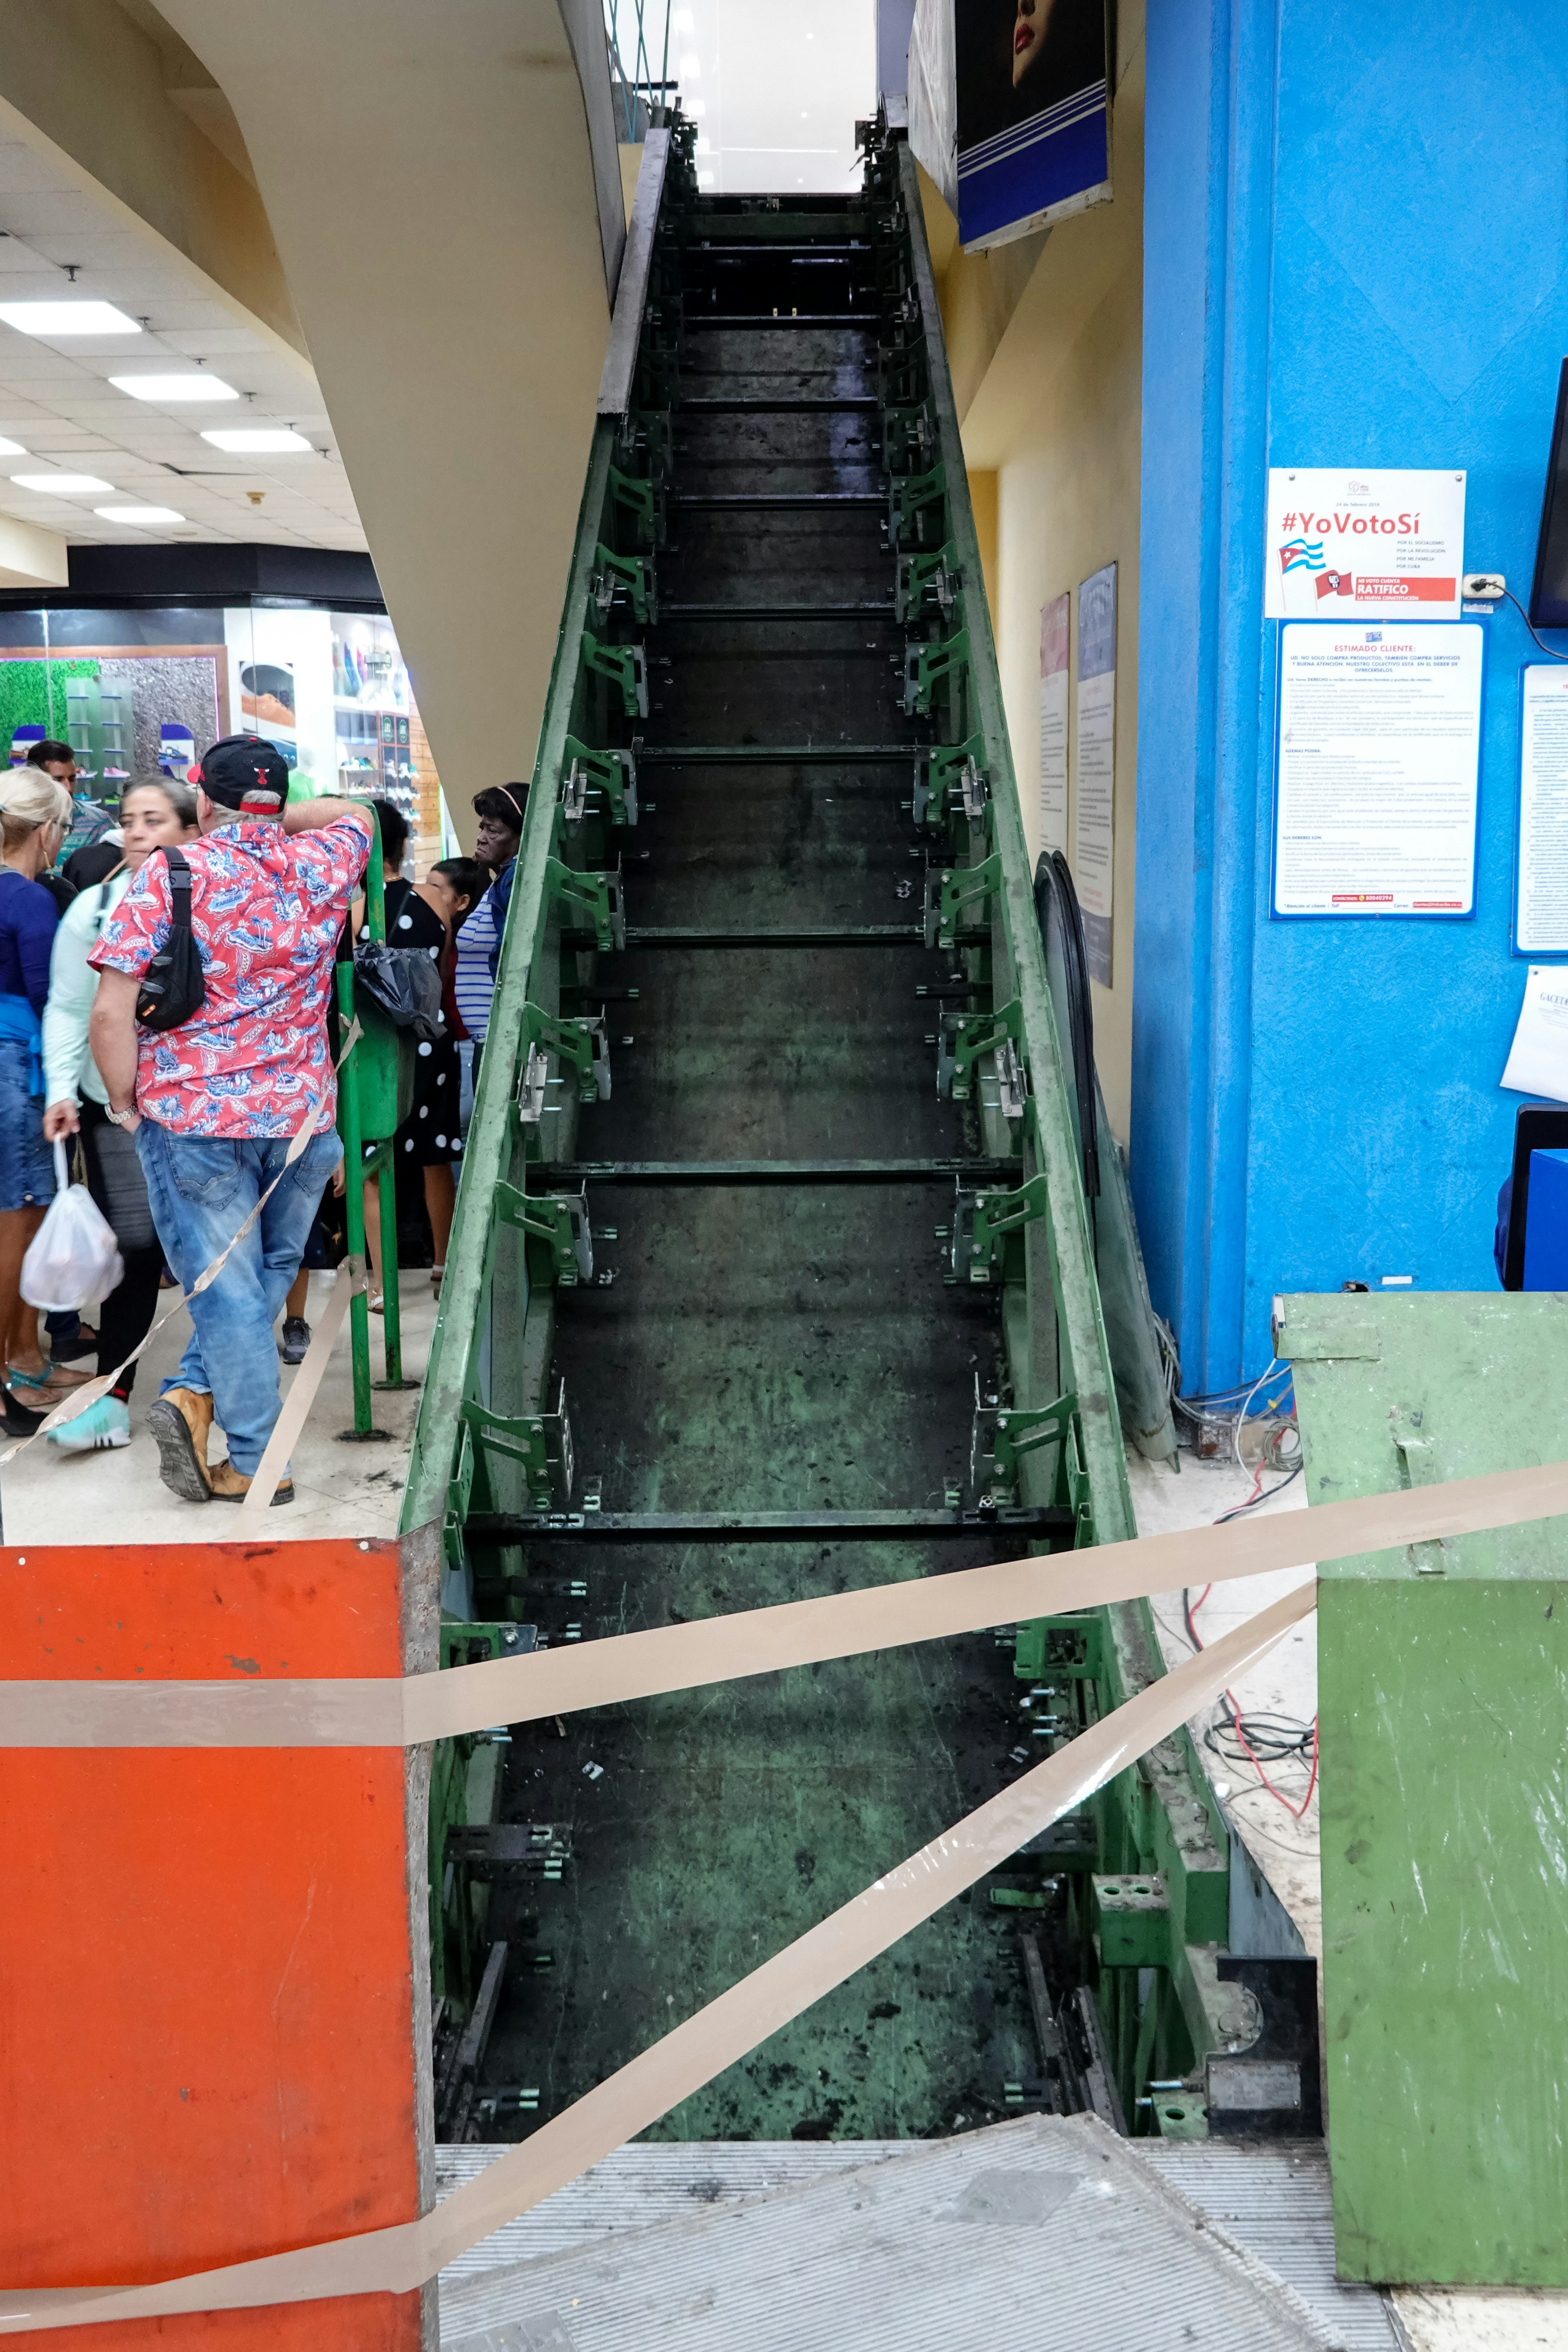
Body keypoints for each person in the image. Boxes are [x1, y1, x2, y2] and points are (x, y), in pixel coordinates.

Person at [87, 734, 371, 1506]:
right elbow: (356, 813)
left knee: (228, 1291)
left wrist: (122, 1102)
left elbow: (112, 1009)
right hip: (303, 1122)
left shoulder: (170, 874)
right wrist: (279, 820)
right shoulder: (323, 858)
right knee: (263, 1277)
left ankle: (258, 1461)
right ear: (277, 801)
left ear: (200, 801)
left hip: (193, 1122)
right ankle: (190, 1393)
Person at [41, 777, 200, 1452]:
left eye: (154, 819)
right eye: (131, 820)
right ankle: (113, 1394)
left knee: (209, 1249)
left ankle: (207, 1393)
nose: (136, 832)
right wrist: (60, 1089)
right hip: (116, 1106)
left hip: (203, 1101)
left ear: (192, 832)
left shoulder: (217, 899)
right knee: (136, 1247)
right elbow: (71, 1006)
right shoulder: (94, 908)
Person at [0, 768, 72, 1431]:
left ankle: (26, 1355)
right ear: (47, 830)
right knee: (18, 1220)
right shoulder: (28, 899)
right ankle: (7, 1375)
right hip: (17, 1063)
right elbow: (51, 996)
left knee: (25, 1212)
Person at [452, 784, 527, 1046]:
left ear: (521, 838)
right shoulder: (500, 882)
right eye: (482, 828)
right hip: (487, 1038)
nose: (482, 838)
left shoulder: (514, 882)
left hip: (500, 1040)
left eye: (493, 831)